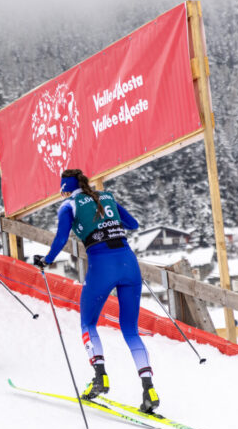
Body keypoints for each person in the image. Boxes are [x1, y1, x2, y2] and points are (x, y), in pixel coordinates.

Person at [32, 169, 159, 413]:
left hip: (102, 265)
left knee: (88, 323)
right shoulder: (107, 197)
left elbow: (61, 239)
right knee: (131, 330)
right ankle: (149, 389)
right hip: (129, 263)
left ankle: (100, 376)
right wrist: (108, 222)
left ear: (64, 189)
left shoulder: (68, 205)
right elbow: (133, 224)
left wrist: (47, 260)